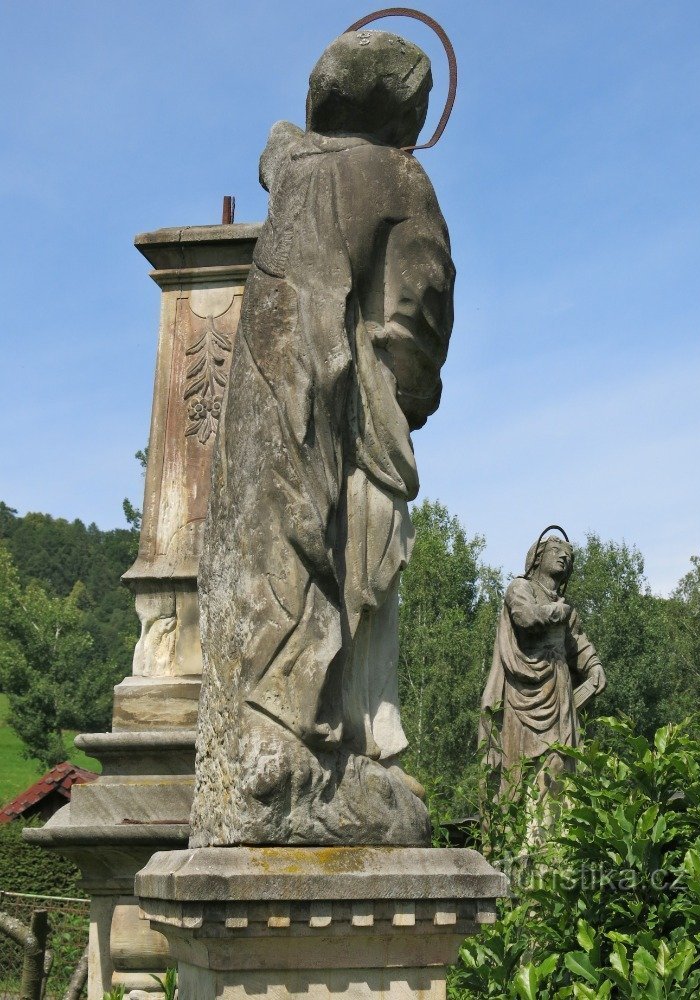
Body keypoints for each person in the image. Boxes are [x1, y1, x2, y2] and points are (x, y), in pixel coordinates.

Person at [191, 29, 454, 846]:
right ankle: (332, 750)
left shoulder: (295, 181)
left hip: (272, 410)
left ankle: (264, 749)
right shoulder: (399, 178)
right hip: (359, 412)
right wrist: (416, 388)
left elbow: (282, 160)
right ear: (404, 110)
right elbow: (421, 308)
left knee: (277, 546)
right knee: (362, 563)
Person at [479, 534, 606, 802]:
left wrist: (593, 666)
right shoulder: (520, 587)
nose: (564, 556)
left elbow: (576, 643)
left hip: (558, 689)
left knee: (560, 761)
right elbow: (525, 617)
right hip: (524, 693)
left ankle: (552, 836)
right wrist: (557, 612)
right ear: (538, 556)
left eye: (569, 554)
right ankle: (519, 836)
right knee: (518, 768)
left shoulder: (565, 608)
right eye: (557, 550)